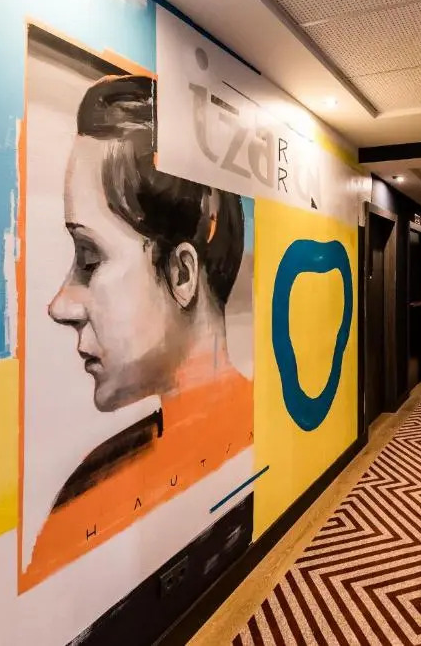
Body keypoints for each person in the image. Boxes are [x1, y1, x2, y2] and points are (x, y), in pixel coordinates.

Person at [24, 74, 253, 588]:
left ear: (182, 274)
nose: (60, 306)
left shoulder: (91, 497)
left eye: (89, 258)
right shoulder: (90, 484)